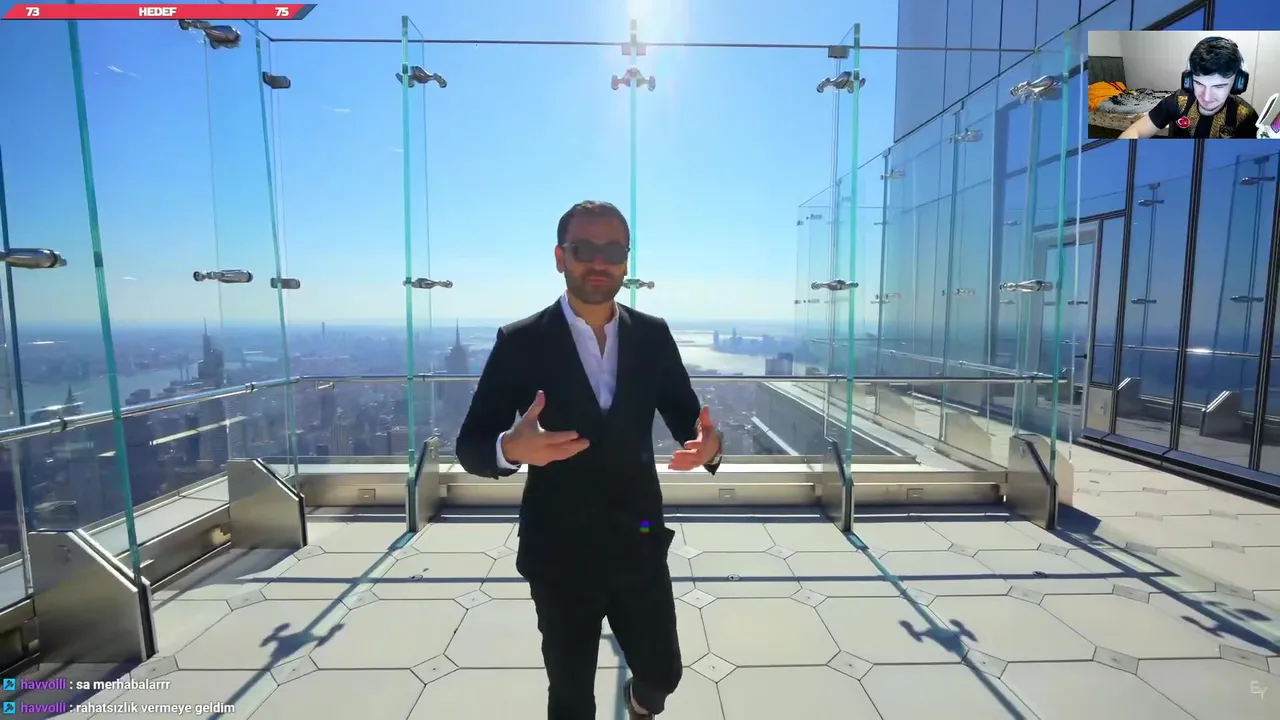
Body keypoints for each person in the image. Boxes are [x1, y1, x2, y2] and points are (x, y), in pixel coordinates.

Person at [455, 200, 724, 719]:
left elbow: (692, 420)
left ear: (626, 261)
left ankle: (639, 705)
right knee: (571, 694)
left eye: (614, 251)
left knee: (662, 673)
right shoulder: (520, 341)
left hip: (638, 538)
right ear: (561, 257)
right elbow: (472, 445)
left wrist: (710, 446)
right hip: (559, 549)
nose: (599, 262)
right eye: (584, 249)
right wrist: (510, 449)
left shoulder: (653, 335)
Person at [1120, 36, 1259, 139]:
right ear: (1189, 81)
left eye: (1219, 86)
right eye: (1199, 84)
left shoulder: (1245, 116)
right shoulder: (1177, 102)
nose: (1206, 97)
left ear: (1237, 83)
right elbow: (1136, 130)